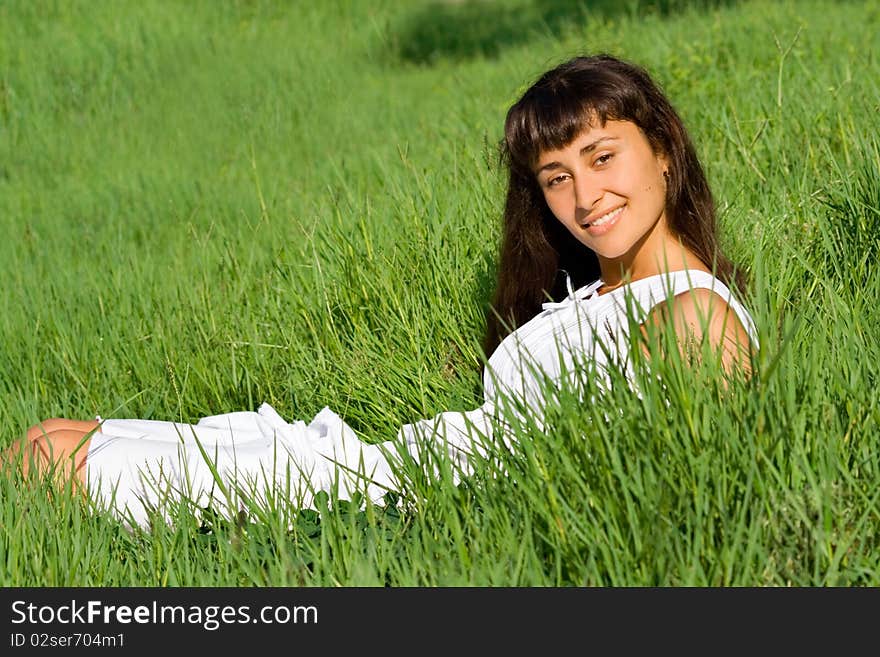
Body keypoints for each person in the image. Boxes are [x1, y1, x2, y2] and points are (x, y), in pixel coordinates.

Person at [4, 54, 757, 528]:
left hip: (399, 493)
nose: (584, 196)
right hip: (376, 460)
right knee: (51, 436)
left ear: (663, 148)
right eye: (557, 178)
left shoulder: (692, 312)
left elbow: (685, 502)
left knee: (49, 467)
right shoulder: (594, 291)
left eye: (602, 156)